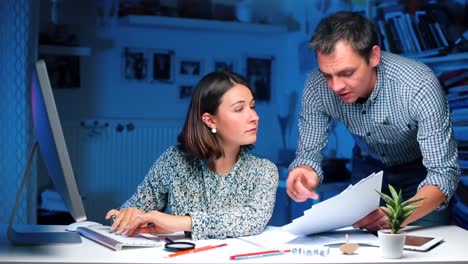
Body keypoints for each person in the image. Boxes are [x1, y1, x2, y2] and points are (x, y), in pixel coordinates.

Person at [287, 11, 460, 230]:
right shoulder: (316, 86)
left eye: (347, 72)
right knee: (361, 250)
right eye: (327, 75)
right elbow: (308, 156)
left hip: (421, 176)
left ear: (374, 56)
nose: (335, 86)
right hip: (367, 171)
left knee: (428, 251)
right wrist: (304, 171)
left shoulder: (418, 85)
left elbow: (443, 173)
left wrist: (400, 213)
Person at [106, 71, 278, 240]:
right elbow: (126, 216)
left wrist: (181, 222)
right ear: (210, 120)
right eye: (239, 109)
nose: (254, 117)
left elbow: (253, 219)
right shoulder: (174, 160)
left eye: (252, 106)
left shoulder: (264, 171)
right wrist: (127, 216)